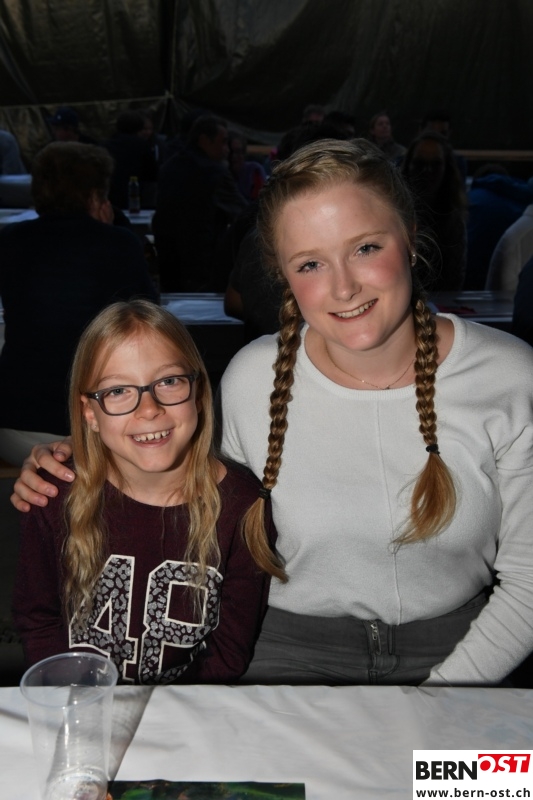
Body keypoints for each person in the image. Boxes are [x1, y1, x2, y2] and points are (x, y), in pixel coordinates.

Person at [12, 140, 533, 687]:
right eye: (310, 263)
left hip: (467, 652)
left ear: (409, 238)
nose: (343, 286)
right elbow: (180, 482)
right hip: (284, 652)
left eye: (365, 248)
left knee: (475, 752)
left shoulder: (510, 377)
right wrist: (72, 463)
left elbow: (527, 581)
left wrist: (442, 698)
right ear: (284, 275)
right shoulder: (252, 379)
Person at [12, 299, 278, 684]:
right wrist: (73, 695)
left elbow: (228, 653)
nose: (149, 409)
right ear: (90, 413)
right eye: (118, 390)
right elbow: (38, 620)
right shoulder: (52, 493)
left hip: (188, 706)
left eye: (168, 381)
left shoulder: (243, 506)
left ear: (198, 392)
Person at [0, 141, 158, 465]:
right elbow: (150, 320)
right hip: (95, 425)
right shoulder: (118, 244)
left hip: (14, 422)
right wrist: (116, 228)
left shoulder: (10, 241)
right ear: (95, 195)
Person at [402, 130, 467, 290]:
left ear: (446, 169)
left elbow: (453, 281)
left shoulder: (454, 222)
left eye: (435, 164)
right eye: (420, 163)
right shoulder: (393, 212)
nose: (427, 171)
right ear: (408, 166)